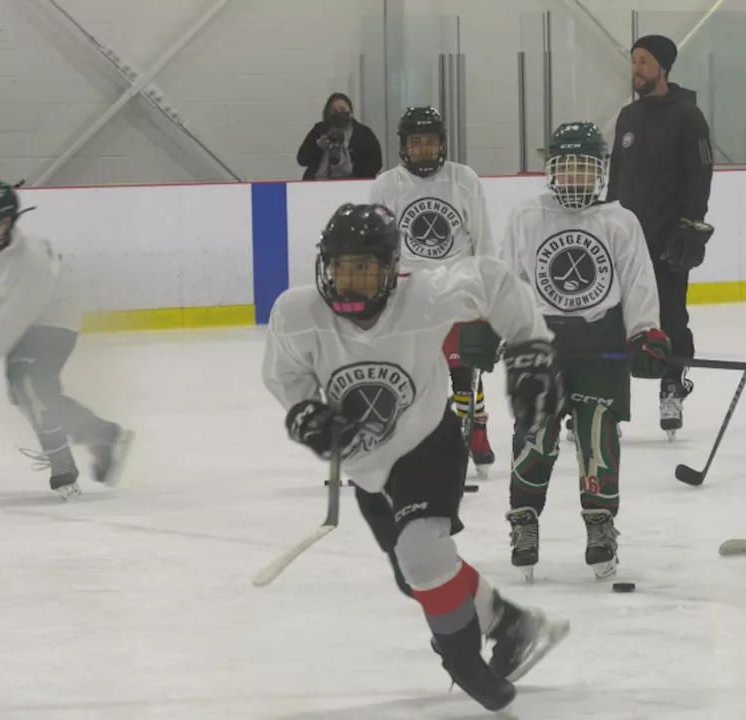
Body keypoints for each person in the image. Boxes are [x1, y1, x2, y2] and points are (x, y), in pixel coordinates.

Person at [261, 203, 569, 715]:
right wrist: (308, 415)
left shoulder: (425, 295)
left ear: (390, 268)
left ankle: (464, 662)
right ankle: (512, 624)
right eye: (341, 267)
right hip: (367, 468)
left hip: (429, 442)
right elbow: (286, 378)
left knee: (422, 556)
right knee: (417, 577)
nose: (351, 281)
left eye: (365, 268)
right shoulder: (297, 313)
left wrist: (530, 347)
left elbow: (493, 279)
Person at [501, 121, 667, 581]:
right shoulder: (526, 218)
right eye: (567, 168)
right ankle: (524, 522)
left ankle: (600, 524)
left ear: (600, 171)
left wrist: (646, 331)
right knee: (535, 436)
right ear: (552, 169)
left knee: (598, 438)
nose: (574, 178)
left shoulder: (619, 220)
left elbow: (637, 281)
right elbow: (508, 280)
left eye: (584, 168)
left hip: (601, 344)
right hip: (543, 344)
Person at [0, 179, 134, 499]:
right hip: (18, 313)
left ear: (8, 223)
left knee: (28, 383)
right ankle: (102, 435)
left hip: (54, 318)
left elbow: (5, 326)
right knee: (22, 392)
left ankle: (64, 460)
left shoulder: (30, 264)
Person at [369, 106, 497, 477]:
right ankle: (413, 438)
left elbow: (483, 237)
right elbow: (379, 244)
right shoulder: (385, 185)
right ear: (404, 146)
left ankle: (475, 429)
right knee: (411, 372)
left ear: (441, 142)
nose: (423, 149)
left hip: (457, 284)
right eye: (416, 142)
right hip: (408, 291)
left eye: (429, 141)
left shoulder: (464, 179)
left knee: (463, 366)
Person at [607, 34, 713, 439]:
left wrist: (691, 229)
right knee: (614, 320)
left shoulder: (688, 116)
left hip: (669, 240)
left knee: (670, 318)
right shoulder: (627, 117)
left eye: (645, 61)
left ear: (663, 68)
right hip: (624, 243)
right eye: (634, 60)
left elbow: (700, 177)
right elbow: (616, 179)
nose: (637, 69)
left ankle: (672, 386)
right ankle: (610, 400)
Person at [296, 93, 383, 180]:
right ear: (328, 113)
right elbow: (302, 160)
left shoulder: (364, 133)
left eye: (343, 109)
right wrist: (317, 147)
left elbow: (376, 163)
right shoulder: (319, 130)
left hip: (353, 184)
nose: (339, 112)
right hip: (319, 181)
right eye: (334, 110)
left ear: (350, 111)